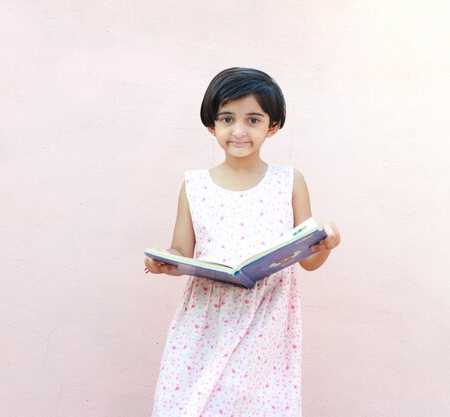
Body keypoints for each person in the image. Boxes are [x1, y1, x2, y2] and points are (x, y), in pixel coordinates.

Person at [144, 67, 340, 417]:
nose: (239, 130)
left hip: (266, 319)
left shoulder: (289, 181)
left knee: (255, 404)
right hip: (206, 320)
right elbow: (180, 253)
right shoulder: (195, 187)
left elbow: (307, 260)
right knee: (192, 403)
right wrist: (163, 261)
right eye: (227, 118)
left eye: (253, 119)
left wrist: (323, 245)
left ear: (273, 126)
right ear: (211, 125)